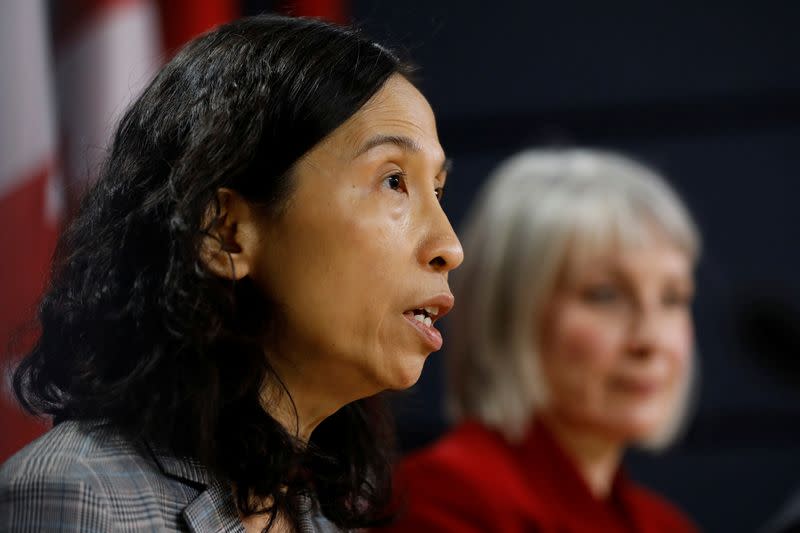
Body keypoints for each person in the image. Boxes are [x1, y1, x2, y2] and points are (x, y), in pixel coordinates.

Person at [0, 14, 462, 533]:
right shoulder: (80, 499)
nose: (449, 247)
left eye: (438, 191)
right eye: (394, 180)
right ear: (226, 232)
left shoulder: (324, 521)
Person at [376, 149, 700, 532]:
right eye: (605, 295)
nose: (650, 339)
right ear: (508, 313)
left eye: (672, 298)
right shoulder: (440, 500)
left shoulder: (665, 524)